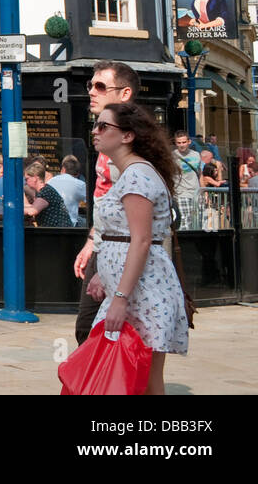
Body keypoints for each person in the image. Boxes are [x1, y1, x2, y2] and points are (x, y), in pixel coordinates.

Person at [86, 101, 190, 394]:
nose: (96, 131)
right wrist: (103, 275)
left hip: (141, 293)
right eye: (96, 125)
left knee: (143, 377)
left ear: (127, 135)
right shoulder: (132, 174)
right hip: (133, 290)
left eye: (103, 126)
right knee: (132, 375)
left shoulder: (136, 176)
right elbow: (122, 237)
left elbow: (141, 239)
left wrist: (119, 297)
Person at [72, 61, 141, 347]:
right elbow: (105, 202)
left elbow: (134, 219)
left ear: (124, 94)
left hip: (121, 250)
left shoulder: (130, 144)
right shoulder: (107, 138)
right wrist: (92, 242)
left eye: (100, 86)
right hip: (105, 246)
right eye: (90, 85)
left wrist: (107, 267)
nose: (91, 91)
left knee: (95, 332)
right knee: (90, 332)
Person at [24, 160, 71, 227]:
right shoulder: (45, 190)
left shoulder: (45, 192)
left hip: (59, 233)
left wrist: (12, 210)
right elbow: (34, 206)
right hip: (58, 232)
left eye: (27, 179)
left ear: (35, 178)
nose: (25, 182)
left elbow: (32, 211)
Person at [171, 131, 202, 228]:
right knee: (185, 221)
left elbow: (200, 174)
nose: (181, 145)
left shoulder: (196, 155)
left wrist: (203, 190)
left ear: (189, 142)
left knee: (197, 221)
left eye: (184, 142)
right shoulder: (172, 156)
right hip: (181, 193)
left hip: (196, 193)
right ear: (175, 143)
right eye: (179, 143)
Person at [50, 154, 88, 227]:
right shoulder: (80, 184)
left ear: (63, 169)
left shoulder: (51, 181)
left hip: (51, 222)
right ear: (77, 173)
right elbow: (90, 203)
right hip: (70, 223)